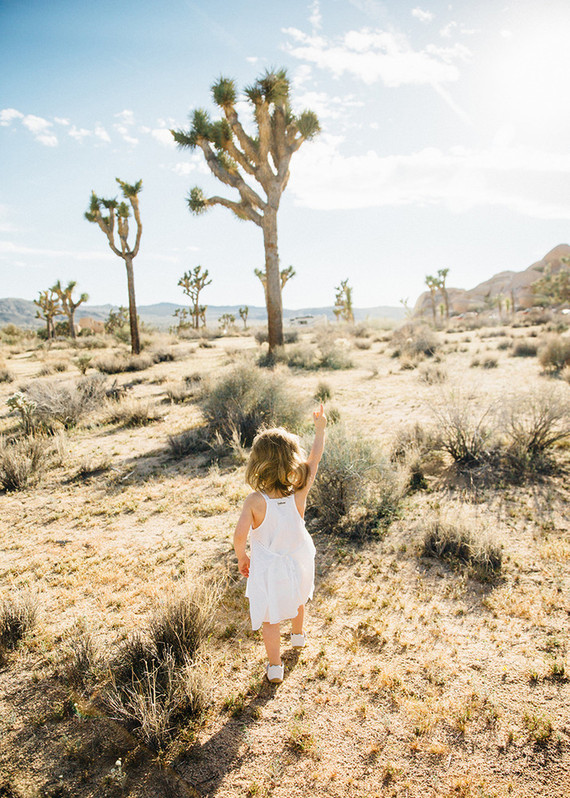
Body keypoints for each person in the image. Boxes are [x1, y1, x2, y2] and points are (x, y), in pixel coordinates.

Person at [233, 404, 327, 684]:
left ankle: (275, 666)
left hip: (268, 567)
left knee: (270, 617)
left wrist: (242, 557)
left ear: (258, 463)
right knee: (298, 597)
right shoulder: (299, 490)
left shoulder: (255, 501)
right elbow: (315, 459)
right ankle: (298, 637)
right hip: (297, 557)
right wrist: (320, 429)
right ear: (291, 460)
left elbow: (239, 536)